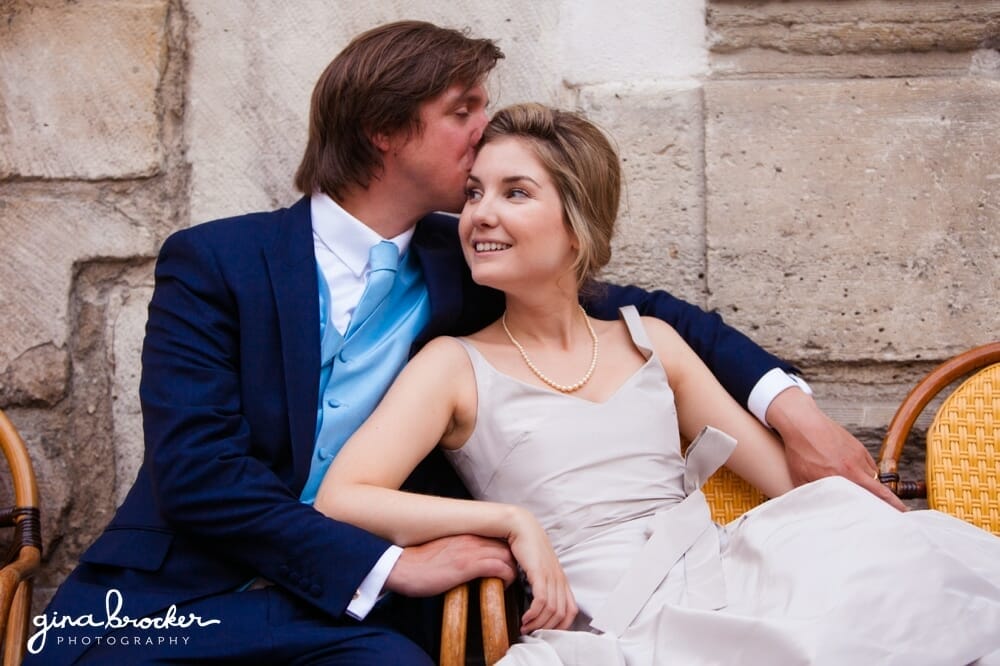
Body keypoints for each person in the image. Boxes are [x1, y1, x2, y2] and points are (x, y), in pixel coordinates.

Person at [31, 19, 895, 665]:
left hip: (347, 627)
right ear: (384, 129)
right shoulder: (216, 261)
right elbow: (198, 476)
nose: (485, 131)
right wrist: (385, 565)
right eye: (463, 111)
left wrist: (790, 405)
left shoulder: (469, 256)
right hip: (173, 597)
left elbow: (654, 319)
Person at [317, 103, 1000, 665]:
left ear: (578, 224)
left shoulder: (653, 343)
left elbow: (789, 491)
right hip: (610, 614)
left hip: (719, 571)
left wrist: (819, 458)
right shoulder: (451, 364)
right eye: (474, 192)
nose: (479, 214)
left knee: (896, 574)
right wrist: (507, 520)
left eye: (515, 192)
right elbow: (343, 499)